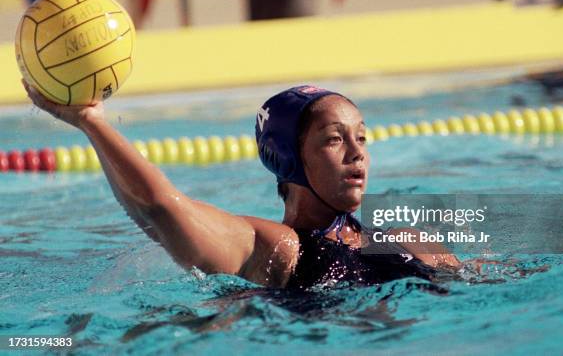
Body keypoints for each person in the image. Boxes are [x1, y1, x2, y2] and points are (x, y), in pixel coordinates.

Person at [23, 81, 460, 289]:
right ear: (289, 157)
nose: (357, 151)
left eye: (361, 137)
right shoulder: (277, 247)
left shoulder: (409, 240)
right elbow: (159, 208)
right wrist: (91, 122)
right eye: (333, 139)